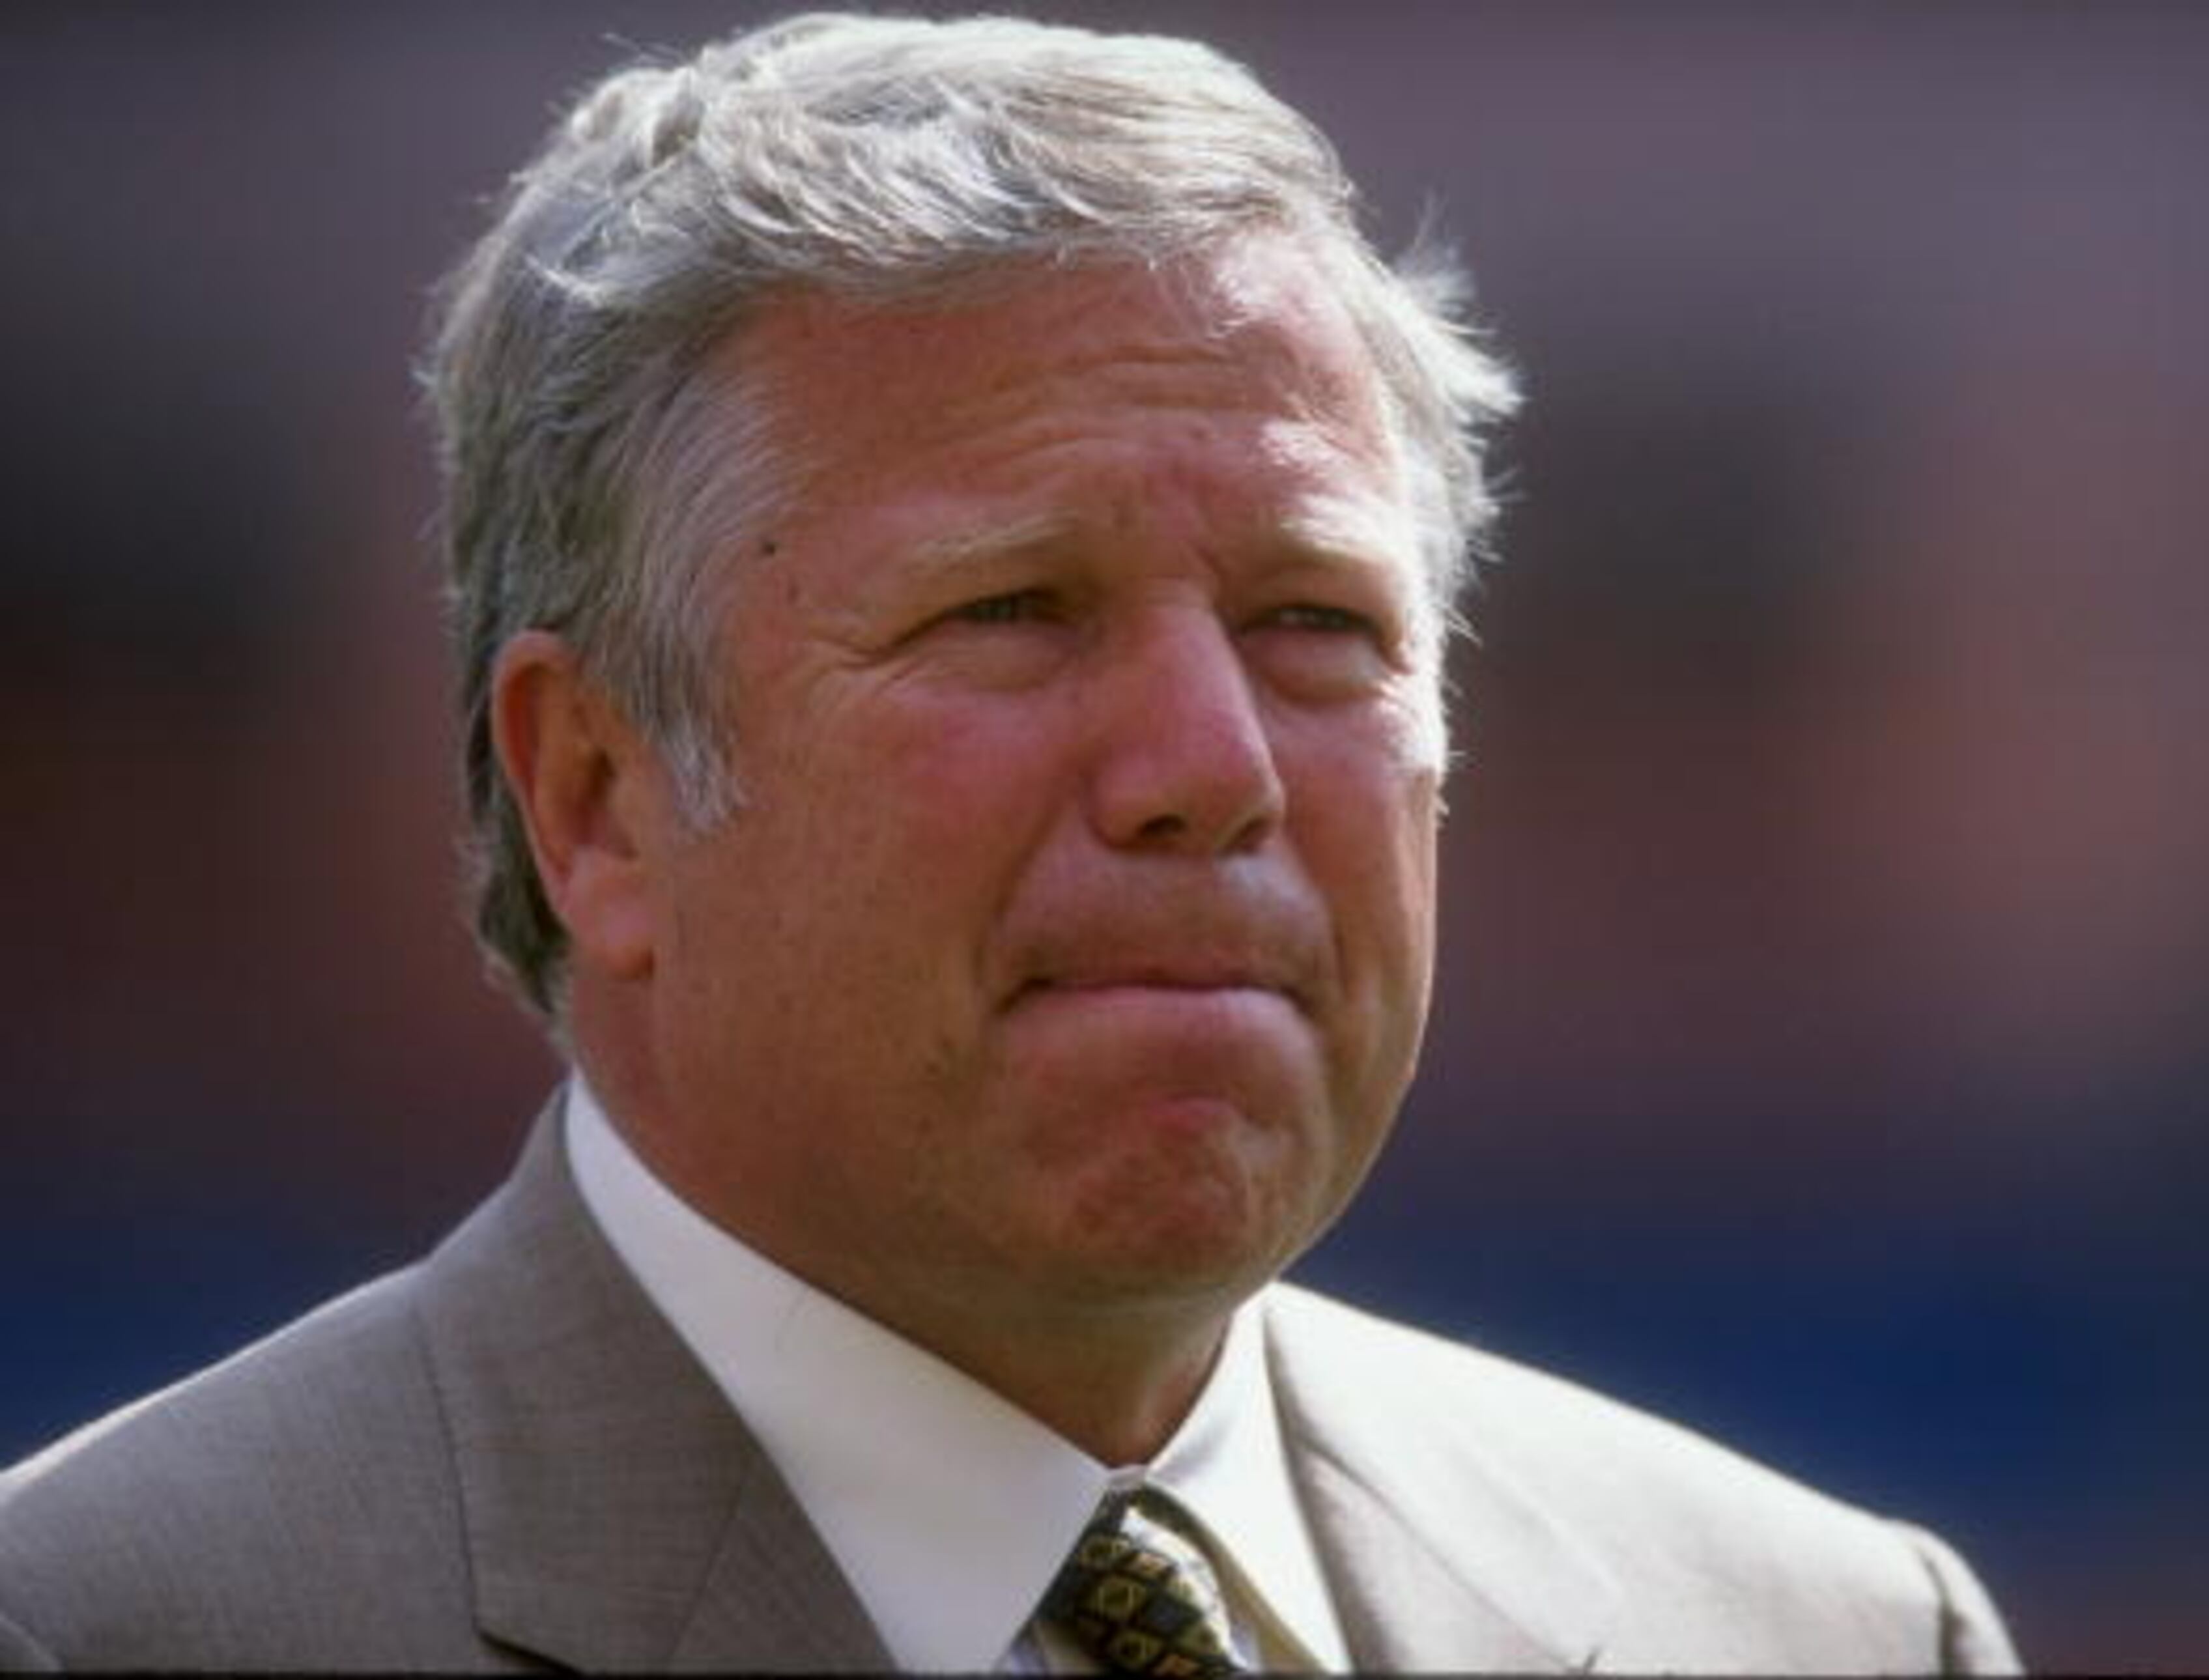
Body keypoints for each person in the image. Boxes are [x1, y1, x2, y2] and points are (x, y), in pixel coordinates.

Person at [0, 14, 2019, 1672]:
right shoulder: (109, 1624)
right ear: (595, 795)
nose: (1210, 764)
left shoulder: (1823, 1631)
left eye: (1316, 623)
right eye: (1012, 612)